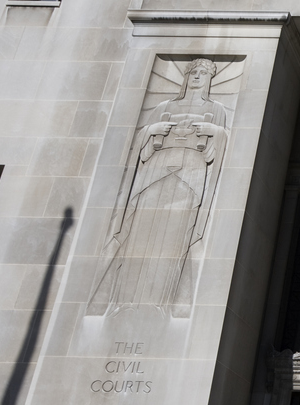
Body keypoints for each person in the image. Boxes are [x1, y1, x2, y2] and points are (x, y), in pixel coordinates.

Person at [88, 58, 229, 316]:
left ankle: (160, 302)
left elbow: (218, 146)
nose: (197, 76)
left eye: (203, 73)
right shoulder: (165, 107)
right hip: (155, 172)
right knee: (139, 233)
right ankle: (123, 301)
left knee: (176, 235)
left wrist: (213, 130)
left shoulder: (215, 109)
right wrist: (153, 129)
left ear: (210, 79)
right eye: (193, 72)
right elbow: (141, 145)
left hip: (191, 174)